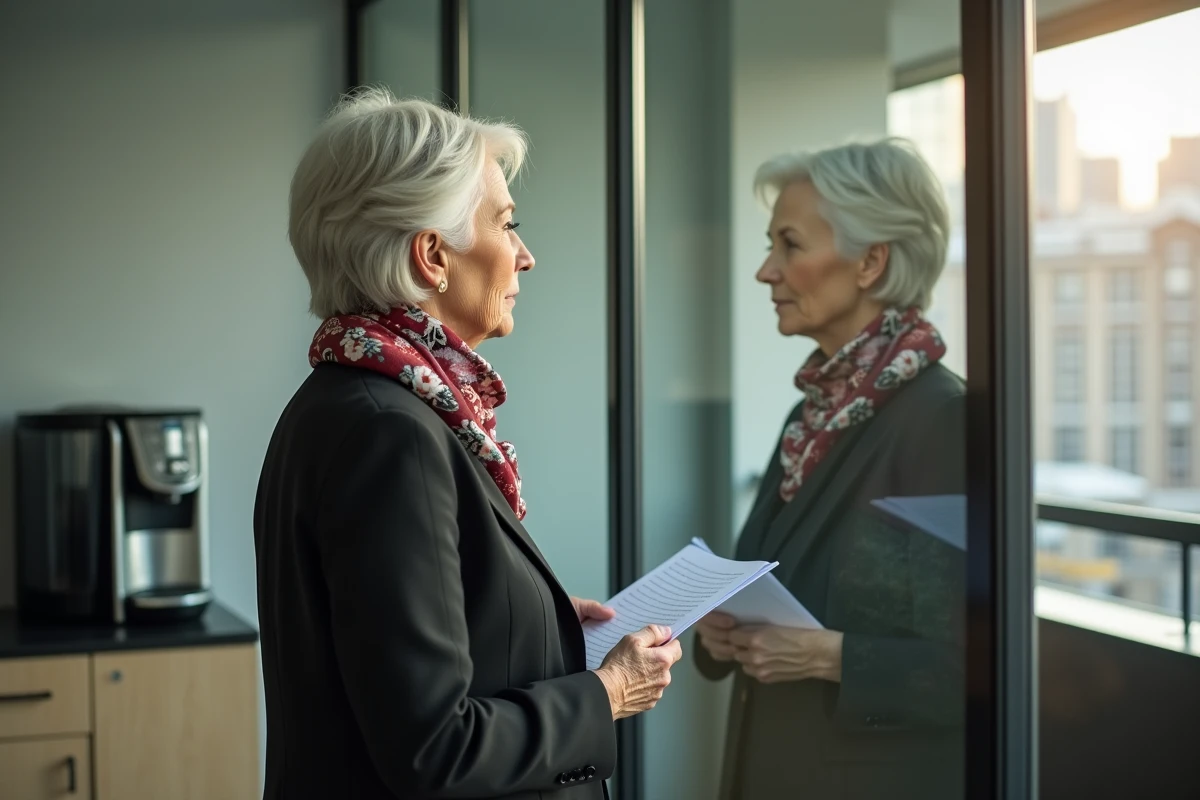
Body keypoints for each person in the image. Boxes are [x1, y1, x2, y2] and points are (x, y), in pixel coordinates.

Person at [254, 88, 681, 800]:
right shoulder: (389, 432)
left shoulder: (348, 403)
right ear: (432, 256)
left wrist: (533, 617)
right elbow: (435, 751)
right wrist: (609, 691)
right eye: (507, 223)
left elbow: (382, 659)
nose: (526, 256)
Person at [693, 138, 966, 800]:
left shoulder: (944, 419)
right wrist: (716, 628)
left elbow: (973, 663)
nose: (766, 271)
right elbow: (767, 576)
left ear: (871, 261)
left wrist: (828, 656)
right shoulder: (809, 415)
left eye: (790, 245)